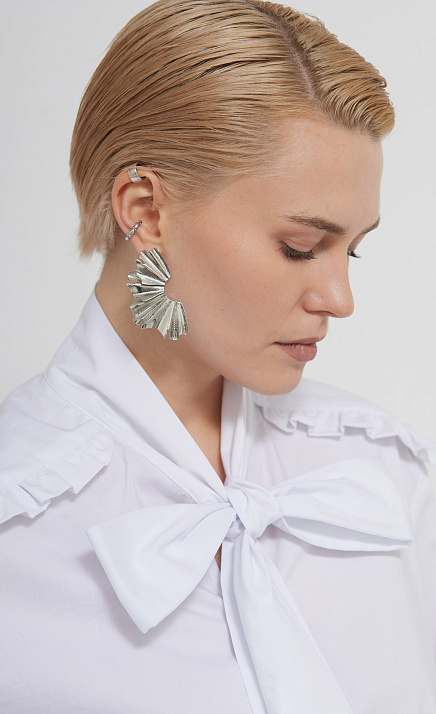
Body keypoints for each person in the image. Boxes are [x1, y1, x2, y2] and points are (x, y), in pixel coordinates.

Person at [0, 0, 435, 712]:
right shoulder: (17, 533)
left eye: (352, 251)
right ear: (144, 212)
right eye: (300, 247)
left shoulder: (382, 470)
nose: (340, 298)